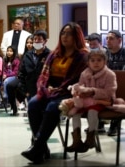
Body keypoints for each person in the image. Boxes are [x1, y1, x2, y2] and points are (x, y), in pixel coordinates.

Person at [21, 22, 89, 164]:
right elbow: (44, 76)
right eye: (63, 33)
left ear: (76, 36)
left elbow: (79, 80)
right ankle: (41, 148)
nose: (65, 36)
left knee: (52, 107)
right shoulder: (55, 54)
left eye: (69, 33)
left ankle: (37, 147)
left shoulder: (83, 56)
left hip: (72, 92)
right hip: (51, 90)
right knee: (33, 104)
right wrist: (46, 87)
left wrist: (57, 90)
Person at [66, 49, 117, 153]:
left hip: (102, 101)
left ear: (105, 62)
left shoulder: (110, 74)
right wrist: (77, 92)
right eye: (92, 60)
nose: (96, 63)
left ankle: (90, 138)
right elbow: (80, 86)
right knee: (75, 113)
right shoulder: (84, 73)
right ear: (88, 62)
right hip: (85, 101)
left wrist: (93, 92)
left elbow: (109, 92)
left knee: (92, 111)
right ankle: (77, 140)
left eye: (99, 60)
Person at [7, 30, 50, 116]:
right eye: (35, 39)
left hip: (44, 89)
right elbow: (22, 73)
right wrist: (25, 91)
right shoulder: (28, 55)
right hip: (30, 88)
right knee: (33, 114)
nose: (37, 41)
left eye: (40, 39)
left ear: (45, 41)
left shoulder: (49, 55)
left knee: (43, 114)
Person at [106, 30, 125, 136]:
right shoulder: (104, 54)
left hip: (121, 86)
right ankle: (99, 123)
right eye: (107, 38)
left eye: (111, 38)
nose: (108, 40)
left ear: (119, 40)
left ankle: (115, 124)